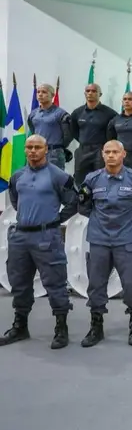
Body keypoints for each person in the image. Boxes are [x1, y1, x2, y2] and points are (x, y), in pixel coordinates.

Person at [0, 135, 78, 350]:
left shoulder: (58, 175)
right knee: (19, 282)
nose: (33, 151)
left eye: (37, 147)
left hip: (47, 237)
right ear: (25, 150)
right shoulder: (17, 176)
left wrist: (56, 220)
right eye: (29, 147)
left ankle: (61, 328)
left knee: (55, 282)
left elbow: (74, 201)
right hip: (20, 237)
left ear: (46, 150)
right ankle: (20, 326)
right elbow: (15, 200)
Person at [78, 140, 132, 348]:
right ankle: (96, 327)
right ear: (102, 154)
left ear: (123, 154)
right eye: (107, 152)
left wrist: (130, 220)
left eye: (115, 152)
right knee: (96, 284)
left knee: (130, 283)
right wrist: (99, 221)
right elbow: (83, 205)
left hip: (126, 240)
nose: (111, 155)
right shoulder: (92, 179)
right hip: (99, 240)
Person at [70, 83, 117, 185]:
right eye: (88, 91)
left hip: (100, 151)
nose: (90, 93)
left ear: (100, 94)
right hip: (83, 150)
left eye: (94, 91)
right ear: (85, 94)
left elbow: (115, 133)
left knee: (102, 179)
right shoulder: (77, 112)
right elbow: (73, 131)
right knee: (80, 179)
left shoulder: (110, 113)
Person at [28, 83, 72, 169]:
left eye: (44, 92)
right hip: (37, 152)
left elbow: (68, 135)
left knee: (55, 177)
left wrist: (58, 146)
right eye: (38, 92)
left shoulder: (61, 114)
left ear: (52, 95)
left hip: (54, 153)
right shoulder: (33, 114)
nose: (40, 94)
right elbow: (33, 130)